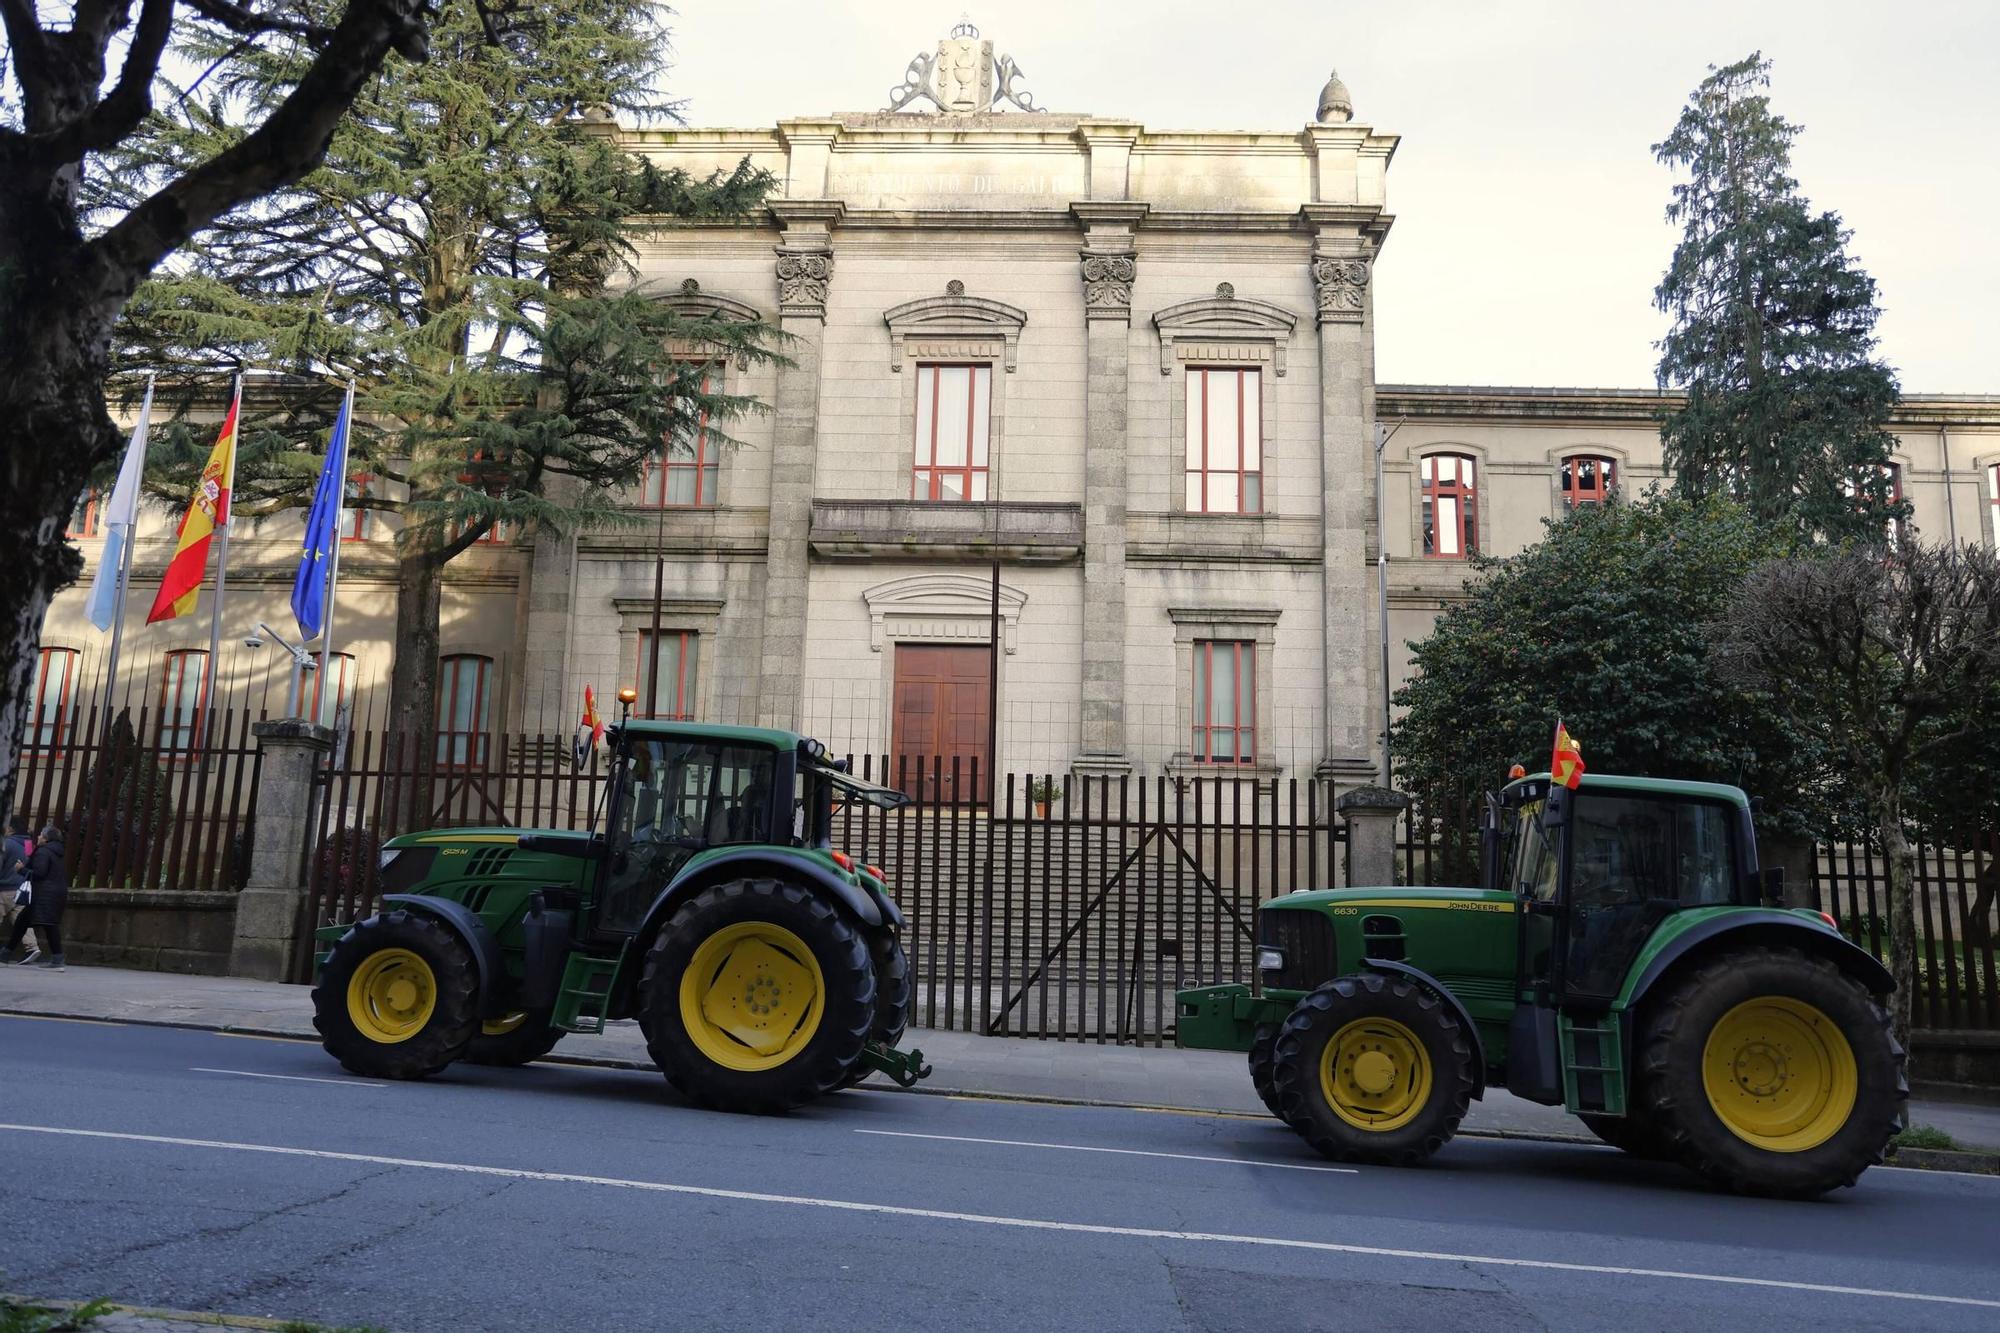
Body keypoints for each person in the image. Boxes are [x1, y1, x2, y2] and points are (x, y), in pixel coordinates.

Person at [2, 824, 67, 970]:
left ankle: (6, 955)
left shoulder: (43, 852)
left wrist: (21, 869)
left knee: (44, 925)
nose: (38, 837)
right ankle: (6, 954)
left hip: (44, 894)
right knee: (26, 922)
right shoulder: (56, 851)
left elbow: (39, 872)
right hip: (54, 893)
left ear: (46, 838)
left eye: (41, 835)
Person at [0, 815, 33, 957]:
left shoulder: (6, 843)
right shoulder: (29, 844)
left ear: (10, 828)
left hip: (5, 887)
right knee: (21, 920)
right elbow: (31, 862)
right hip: (22, 888)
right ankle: (32, 946)